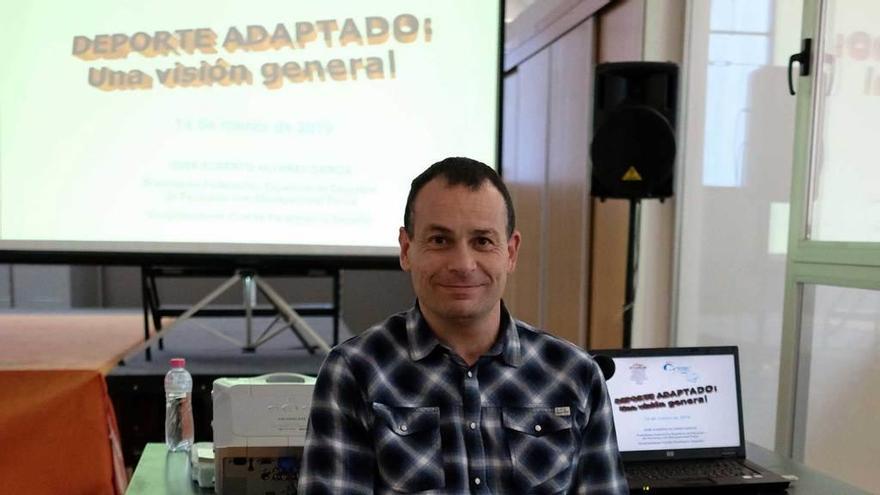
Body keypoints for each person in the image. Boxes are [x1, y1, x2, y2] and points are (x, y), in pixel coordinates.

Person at [298, 157, 628, 494]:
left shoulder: (576, 375)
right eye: (440, 240)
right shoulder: (354, 373)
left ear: (511, 252)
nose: (463, 264)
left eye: (483, 241)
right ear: (407, 249)